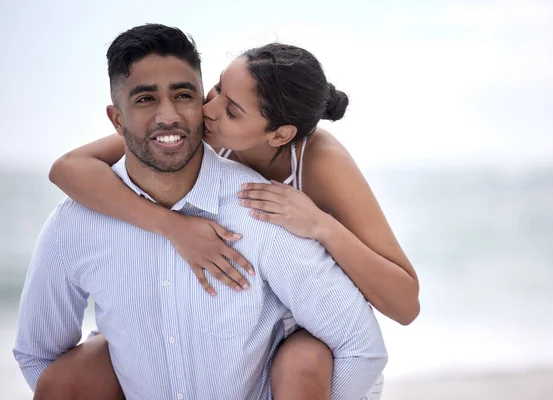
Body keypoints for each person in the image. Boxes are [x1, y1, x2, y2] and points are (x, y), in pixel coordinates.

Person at [13, 24, 388, 400]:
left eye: (183, 95)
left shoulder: (262, 212)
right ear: (116, 119)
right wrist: (172, 227)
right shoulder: (75, 224)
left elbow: (360, 345)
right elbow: (37, 355)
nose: (168, 115)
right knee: (68, 381)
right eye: (145, 99)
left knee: (307, 359)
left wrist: (324, 227)